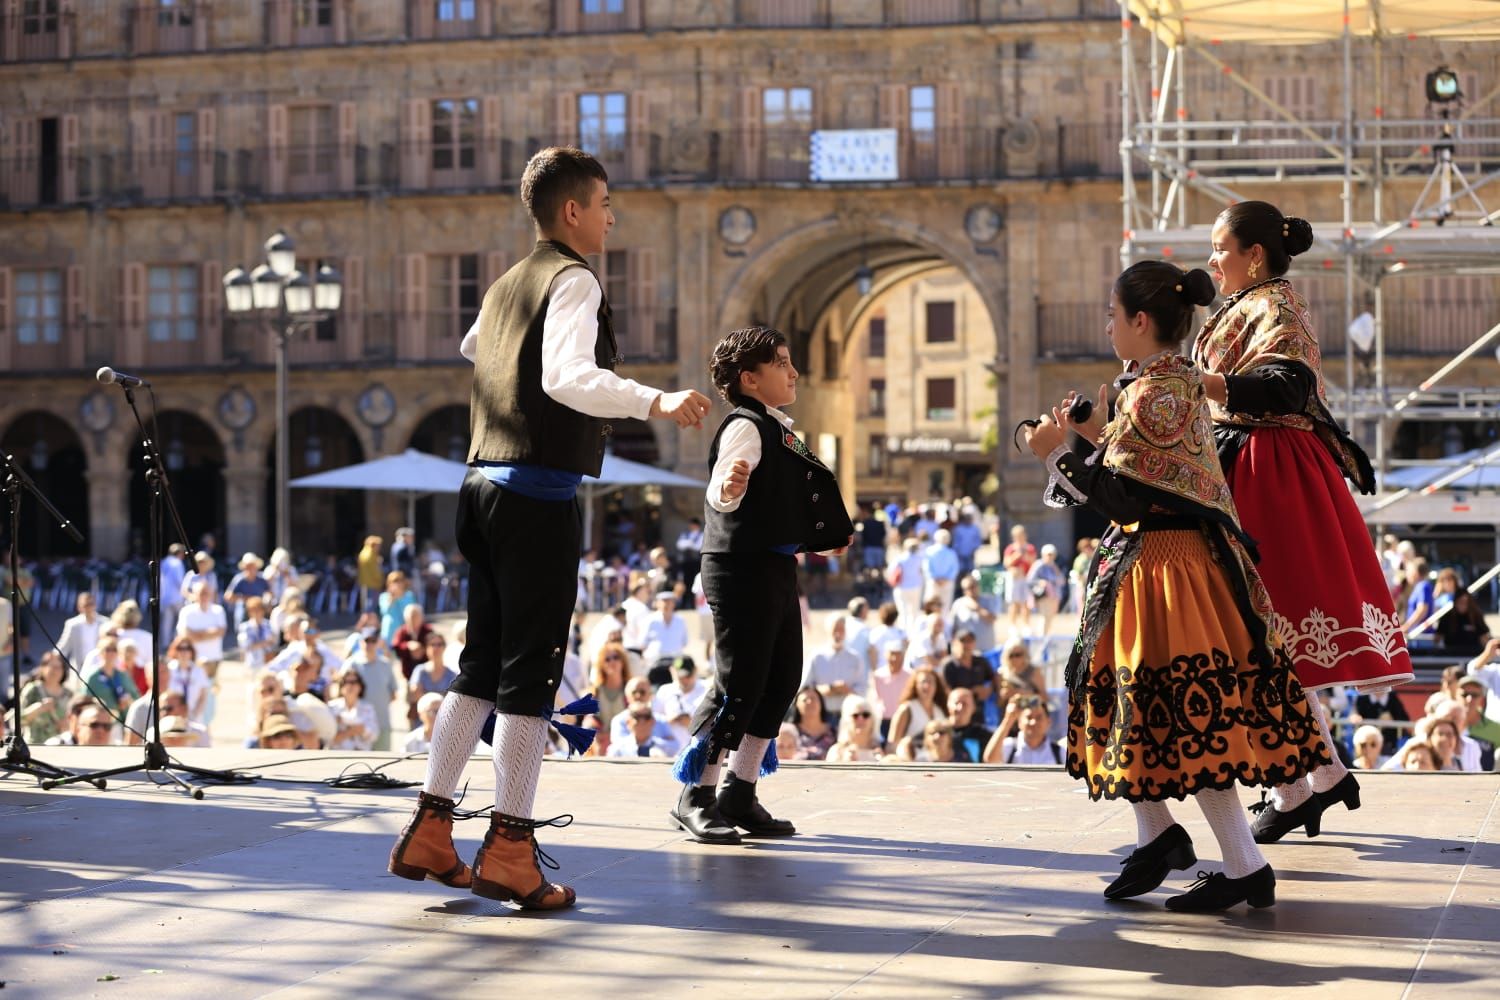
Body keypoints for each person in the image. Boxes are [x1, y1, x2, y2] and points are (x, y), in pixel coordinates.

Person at [390, 146, 712, 909]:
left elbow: (478, 348)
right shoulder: (573, 278)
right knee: (530, 677)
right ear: (572, 211)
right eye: (604, 204)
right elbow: (565, 377)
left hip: (480, 485)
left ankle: (431, 830)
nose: (610, 216)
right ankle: (509, 847)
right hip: (536, 492)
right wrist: (652, 401)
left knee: (481, 665)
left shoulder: (506, 283)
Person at [1024, 259, 1327, 911]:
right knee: (1148, 711)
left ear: (1139, 321)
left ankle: (1239, 863)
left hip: (1164, 568)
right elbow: (1141, 470)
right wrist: (1080, 439)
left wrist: (1055, 450)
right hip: (1170, 565)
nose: (1108, 326)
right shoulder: (1167, 381)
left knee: (1180, 714)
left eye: (1113, 315)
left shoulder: (1154, 390)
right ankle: (1162, 837)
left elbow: (1123, 495)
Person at [1192, 201, 1412, 841]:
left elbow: (1286, 387)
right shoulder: (1244, 306)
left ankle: (1303, 783)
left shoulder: (1277, 307)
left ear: (1253, 255)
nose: (1212, 260)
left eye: (1220, 248)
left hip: (1269, 474)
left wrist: (1200, 383)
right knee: (1258, 642)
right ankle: (1317, 778)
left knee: (1260, 639)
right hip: (1246, 468)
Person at [669, 324, 852, 846]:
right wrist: (728, 489)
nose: (794, 372)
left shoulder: (776, 426)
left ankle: (739, 791)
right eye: (782, 363)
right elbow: (722, 490)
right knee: (738, 682)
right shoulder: (744, 426)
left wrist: (819, 538)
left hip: (771, 565)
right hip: (738, 565)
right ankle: (696, 794)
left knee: (780, 679)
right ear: (750, 379)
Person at [803, 614, 866, 718]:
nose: (838, 633)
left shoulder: (855, 658)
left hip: (848, 715)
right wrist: (823, 690)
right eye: (835, 629)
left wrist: (847, 690)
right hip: (821, 715)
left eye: (841, 629)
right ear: (828, 631)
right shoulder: (816, 656)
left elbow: (863, 688)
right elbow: (805, 687)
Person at [348, 627, 400, 751]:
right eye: (367, 640)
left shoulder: (386, 665)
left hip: (382, 723)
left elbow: (393, 693)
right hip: (358, 726)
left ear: (378, 643)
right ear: (361, 642)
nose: (369, 644)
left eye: (373, 641)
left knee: (383, 762)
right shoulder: (352, 665)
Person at [983, 694, 1063, 765]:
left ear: (1048, 722)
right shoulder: (1010, 747)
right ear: (1019, 722)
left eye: (1039, 718)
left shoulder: (1060, 752)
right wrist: (1008, 720)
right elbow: (990, 760)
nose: (1033, 722)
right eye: (1029, 717)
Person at [887, 666, 949, 750]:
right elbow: (892, 744)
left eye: (931, 682)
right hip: (911, 761)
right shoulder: (907, 709)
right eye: (923, 682)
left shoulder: (939, 711)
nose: (927, 685)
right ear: (915, 685)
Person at [652, 657, 707, 748]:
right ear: (672, 671)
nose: (684, 680)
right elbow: (654, 719)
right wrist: (669, 720)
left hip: (698, 747)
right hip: (669, 749)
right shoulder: (664, 690)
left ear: (695, 670)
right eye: (680, 676)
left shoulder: (706, 689)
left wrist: (694, 723)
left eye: (688, 676)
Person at [406, 632, 457, 728]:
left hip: (443, 724)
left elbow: (453, 701)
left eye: (439, 644)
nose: (436, 648)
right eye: (432, 644)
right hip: (421, 723)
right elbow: (414, 693)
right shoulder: (419, 670)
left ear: (444, 648)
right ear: (426, 648)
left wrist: (426, 696)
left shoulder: (452, 675)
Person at [18, 652, 72, 744]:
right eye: (51, 667)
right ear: (42, 668)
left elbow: (72, 725)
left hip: (59, 745)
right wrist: (39, 708)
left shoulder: (68, 695)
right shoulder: (32, 690)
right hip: (34, 744)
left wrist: (65, 724)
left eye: (58, 667)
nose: (55, 671)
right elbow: (18, 720)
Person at [940, 629, 995, 707]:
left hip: (980, 708)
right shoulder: (949, 665)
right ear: (955, 643)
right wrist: (971, 692)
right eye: (963, 641)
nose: (966, 645)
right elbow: (946, 690)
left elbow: (993, 678)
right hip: (959, 708)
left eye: (970, 641)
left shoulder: (980, 661)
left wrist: (988, 690)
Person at [641, 590, 690, 678]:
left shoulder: (680, 621)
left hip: (675, 661)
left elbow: (684, 642)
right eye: (663, 601)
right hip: (655, 662)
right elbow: (642, 643)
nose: (666, 604)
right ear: (657, 603)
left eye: (669, 601)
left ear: (674, 604)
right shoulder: (650, 620)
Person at [327, 668, 378, 751]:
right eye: (346, 682)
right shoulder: (331, 707)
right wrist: (353, 731)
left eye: (354, 682)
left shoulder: (368, 708)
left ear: (360, 686)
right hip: (337, 755)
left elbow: (374, 735)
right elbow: (328, 738)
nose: (350, 686)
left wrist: (343, 721)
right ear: (341, 686)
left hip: (362, 756)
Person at [869, 641, 912, 738]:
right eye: (892, 654)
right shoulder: (878, 676)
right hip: (885, 720)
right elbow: (876, 699)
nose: (895, 658)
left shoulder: (910, 675)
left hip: (904, 720)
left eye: (898, 655)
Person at [827, 695, 885, 762]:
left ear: (873, 721)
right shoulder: (837, 751)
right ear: (847, 721)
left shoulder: (884, 748)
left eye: (865, 715)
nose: (860, 719)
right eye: (855, 715)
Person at [225, 553, 272, 634]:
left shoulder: (261, 579)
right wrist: (245, 598)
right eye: (248, 566)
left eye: (252, 565)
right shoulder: (239, 579)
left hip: (259, 612)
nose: (250, 568)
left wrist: (266, 601)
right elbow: (228, 596)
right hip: (244, 612)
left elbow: (269, 593)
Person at [949, 576, 997, 657]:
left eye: (973, 586)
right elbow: (953, 628)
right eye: (967, 588)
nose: (971, 590)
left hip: (986, 649)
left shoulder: (989, 600)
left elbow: (992, 619)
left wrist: (977, 608)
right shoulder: (958, 604)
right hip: (965, 652)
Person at [608, 703, 677, 758]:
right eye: (636, 716)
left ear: (653, 721)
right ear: (628, 722)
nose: (642, 721)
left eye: (647, 717)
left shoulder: (668, 749)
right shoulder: (617, 749)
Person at [1002, 525, 1036, 634]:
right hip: (1014, 578)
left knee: (1026, 603)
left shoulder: (1030, 548)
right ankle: (1012, 625)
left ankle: (1026, 624)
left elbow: (1033, 562)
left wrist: (1025, 554)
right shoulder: (1010, 549)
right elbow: (1006, 563)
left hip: (1025, 578)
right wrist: (1016, 555)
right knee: (1014, 603)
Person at [1025, 544, 1065, 636]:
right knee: (1044, 616)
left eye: (1052, 554)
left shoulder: (1054, 566)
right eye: (1048, 554)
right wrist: (1041, 582)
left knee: (1050, 617)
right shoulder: (1039, 564)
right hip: (1044, 595)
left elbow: (1061, 580)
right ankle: (1041, 636)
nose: (1050, 557)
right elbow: (1030, 579)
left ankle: (1046, 636)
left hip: (1054, 596)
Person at [1437, 590, 1491, 656]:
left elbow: (1484, 638)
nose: (1462, 605)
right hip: (1451, 655)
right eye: (1460, 602)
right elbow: (1437, 638)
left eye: (1465, 602)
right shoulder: (1447, 617)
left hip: (1472, 655)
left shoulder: (1476, 617)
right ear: (1455, 602)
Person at [56, 592, 103, 669]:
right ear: (79, 607)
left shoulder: (104, 623)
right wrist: (52, 657)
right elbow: (64, 646)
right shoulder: (72, 624)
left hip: (99, 667)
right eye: (86, 605)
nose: (89, 608)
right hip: (80, 667)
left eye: (91, 604)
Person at [946, 686, 992, 764]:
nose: (960, 708)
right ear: (948, 705)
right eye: (956, 703)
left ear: (973, 708)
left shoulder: (984, 736)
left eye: (965, 704)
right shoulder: (937, 732)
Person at [789, 685, 836, 760]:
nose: (809, 702)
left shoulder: (834, 732)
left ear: (821, 703)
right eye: (805, 700)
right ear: (796, 705)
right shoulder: (788, 731)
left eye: (813, 699)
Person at [391, 604, 436, 681]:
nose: (413, 620)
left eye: (416, 616)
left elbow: (435, 646)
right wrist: (407, 646)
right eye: (411, 617)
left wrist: (421, 649)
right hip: (407, 674)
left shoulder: (428, 631)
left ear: (421, 617)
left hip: (427, 673)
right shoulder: (401, 632)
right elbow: (395, 647)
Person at [888, 538, 925, 633]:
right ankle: (913, 631)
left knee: (903, 611)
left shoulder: (900, 558)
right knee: (914, 611)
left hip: (902, 587)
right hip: (915, 587)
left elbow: (891, 570)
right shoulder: (920, 558)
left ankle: (904, 631)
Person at [921, 528, 960, 611]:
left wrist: (936, 578)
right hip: (944, 582)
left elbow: (926, 567)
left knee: (931, 604)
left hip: (935, 582)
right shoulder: (951, 553)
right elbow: (955, 568)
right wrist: (945, 579)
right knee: (944, 605)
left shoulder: (929, 551)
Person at [237, 596, 277, 674]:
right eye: (253, 610)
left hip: (267, 662)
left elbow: (273, 642)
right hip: (252, 663)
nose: (256, 613)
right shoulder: (245, 627)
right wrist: (264, 643)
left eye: (259, 610)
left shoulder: (269, 625)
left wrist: (258, 644)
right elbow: (245, 646)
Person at [160, 542, 188, 648]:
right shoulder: (177, 563)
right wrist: (185, 593)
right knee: (180, 620)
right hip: (176, 596)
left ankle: (166, 642)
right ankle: (177, 641)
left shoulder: (164, 562)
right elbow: (179, 581)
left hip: (165, 596)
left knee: (166, 621)